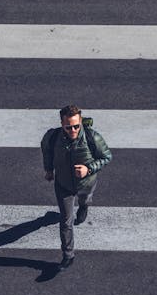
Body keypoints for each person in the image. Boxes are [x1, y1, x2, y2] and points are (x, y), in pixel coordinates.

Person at [41, 105, 112, 271]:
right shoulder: (52, 137)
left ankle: (84, 205)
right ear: (62, 124)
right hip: (63, 185)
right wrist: (48, 169)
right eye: (68, 127)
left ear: (80, 122)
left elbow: (107, 156)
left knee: (85, 200)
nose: (72, 130)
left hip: (86, 184)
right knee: (66, 221)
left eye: (76, 126)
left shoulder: (92, 137)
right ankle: (68, 255)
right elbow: (46, 150)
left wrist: (89, 169)